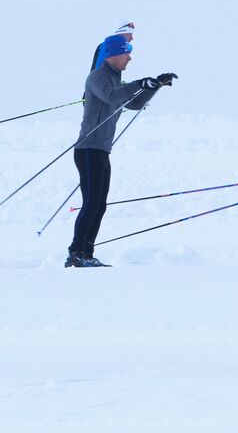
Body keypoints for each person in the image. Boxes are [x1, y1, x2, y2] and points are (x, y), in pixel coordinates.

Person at [67, 34, 177, 268]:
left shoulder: (115, 79)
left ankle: (86, 253)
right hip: (88, 150)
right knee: (91, 203)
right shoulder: (98, 78)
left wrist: (155, 85)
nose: (130, 58)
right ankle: (77, 253)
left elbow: (133, 103)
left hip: (101, 150)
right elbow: (112, 96)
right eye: (126, 53)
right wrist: (140, 84)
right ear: (113, 55)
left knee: (99, 204)